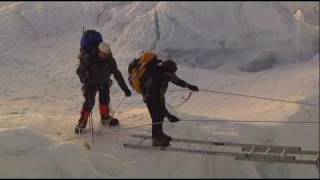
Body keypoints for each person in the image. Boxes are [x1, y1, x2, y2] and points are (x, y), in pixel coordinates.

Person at [139, 54, 199, 147]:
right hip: (150, 97)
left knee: (159, 116)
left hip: (159, 95)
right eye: (171, 73)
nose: (172, 75)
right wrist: (169, 116)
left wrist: (189, 86)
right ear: (166, 72)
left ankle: (160, 134)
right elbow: (157, 102)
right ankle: (156, 139)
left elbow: (176, 80)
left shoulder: (167, 71)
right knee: (156, 116)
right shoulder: (156, 78)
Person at [75, 42, 132, 134]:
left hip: (104, 82)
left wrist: (125, 89)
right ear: (99, 51)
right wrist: (85, 78)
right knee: (89, 102)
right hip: (91, 83)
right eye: (104, 54)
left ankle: (105, 118)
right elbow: (80, 70)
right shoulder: (89, 58)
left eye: (107, 54)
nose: (105, 56)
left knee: (105, 100)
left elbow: (117, 74)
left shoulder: (110, 60)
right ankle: (82, 122)